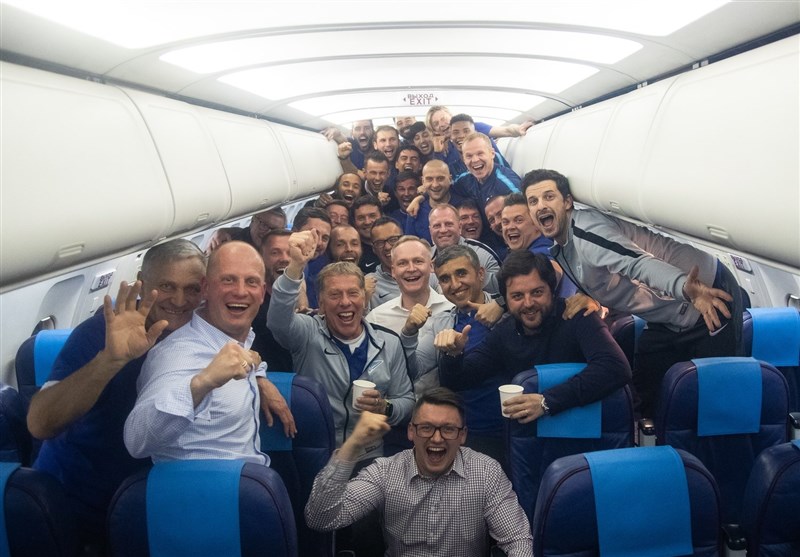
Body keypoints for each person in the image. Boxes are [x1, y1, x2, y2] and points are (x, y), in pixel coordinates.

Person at [28, 239, 207, 550]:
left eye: (192, 289)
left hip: (147, 501)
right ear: (142, 282)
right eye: (167, 286)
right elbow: (40, 423)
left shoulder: (203, 332)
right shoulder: (102, 332)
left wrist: (259, 380)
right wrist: (110, 360)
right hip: (78, 502)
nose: (180, 300)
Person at [524, 168, 743, 416]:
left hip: (706, 293)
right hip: (666, 316)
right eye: (533, 201)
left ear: (567, 202)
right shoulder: (561, 248)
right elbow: (606, 275)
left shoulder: (586, 232)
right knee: (646, 392)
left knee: (716, 399)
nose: (541, 205)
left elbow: (638, 263)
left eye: (549, 197)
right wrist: (592, 297)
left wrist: (685, 287)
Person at [304, 388, 533, 557]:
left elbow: (518, 541)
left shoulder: (486, 472)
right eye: (426, 428)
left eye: (448, 429)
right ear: (411, 432)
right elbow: (320, 519)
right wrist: (351, 447)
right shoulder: (385, 472)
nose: (436, 438)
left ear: (462, 435)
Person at [124, 241, 294, 462]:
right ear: (206, 288)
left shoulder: (229, 335)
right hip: (210, 483)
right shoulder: (176, 354)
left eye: (251, 282)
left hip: (246, 476)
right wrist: (202, 383)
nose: (240, 291)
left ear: (262, 293)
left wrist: (258, 374)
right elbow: (136, 440)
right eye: (228, 280)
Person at [267, 229, 415, 460]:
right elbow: (277, 320)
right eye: (335, 295)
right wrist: (295, 267)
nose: (345, 302)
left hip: (370, 456)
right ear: (321, 302)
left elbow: (406, 400)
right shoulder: (308, 333)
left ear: (364, 299)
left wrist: (385, 407)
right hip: (319, 454)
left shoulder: (388, 342)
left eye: (353, 293)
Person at [436, 250, 630, 424]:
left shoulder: (576, 316)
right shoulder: (505, 333)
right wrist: (453, 355)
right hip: (531, 437)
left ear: (552, 291)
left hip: (593, 429)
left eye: (537, 292)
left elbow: (615, 367)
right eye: (517, 296)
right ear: (505, 301)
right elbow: (459, 381)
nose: (528, 303)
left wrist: (546, 401)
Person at [366, 236, 453, 392]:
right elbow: (371, 369)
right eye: (402, 263)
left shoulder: (451, 308)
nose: (411, 269)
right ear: (393, 271)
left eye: (418, 261)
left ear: (431, 266)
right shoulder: (376, 319)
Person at [429, 204, 501, 295]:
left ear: (459, 227)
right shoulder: (424, 260)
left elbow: (502, 290)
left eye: (449, 224)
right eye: (437, 226)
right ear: (430, 231)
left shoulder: (482, 254)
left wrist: (472, 270)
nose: (443, 230)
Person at [251, 229, 296, 372]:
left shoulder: (303, 291)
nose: (284, 259)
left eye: (290, 253)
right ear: (261, 257)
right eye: (275, 253)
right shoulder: (251, 300)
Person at [452, 133, 522, 212]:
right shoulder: (464, 180)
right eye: (469, 156)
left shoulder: (507, 184)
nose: (475, 160)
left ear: (492, 154)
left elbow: (524, 212)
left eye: (480, 153)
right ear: (464, 160)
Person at [404, 159, 465, 243]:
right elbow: (410, 245)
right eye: (429, 179)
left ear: (450, 179)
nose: (435, 185)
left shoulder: (463, 206)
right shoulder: (415, 211)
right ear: (423, 181)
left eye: (440, 178)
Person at [292, 206, 332, 309]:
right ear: (294, 232)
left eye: (325, 238)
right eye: (313, 234)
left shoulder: (330, 268)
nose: (319, 243)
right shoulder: (281, 262)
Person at [204, 207, 287, 253]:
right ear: (253, 220)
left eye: (275, 230)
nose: (268, 233)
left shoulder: (282, 250)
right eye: (264, 225)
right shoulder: (228, 242)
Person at [351, 195, 383, 274]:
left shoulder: (395, 245)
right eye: (361, 218)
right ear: (354, 222)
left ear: (382, 217)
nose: (367, 222)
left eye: (372, 216)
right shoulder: (353, 253)